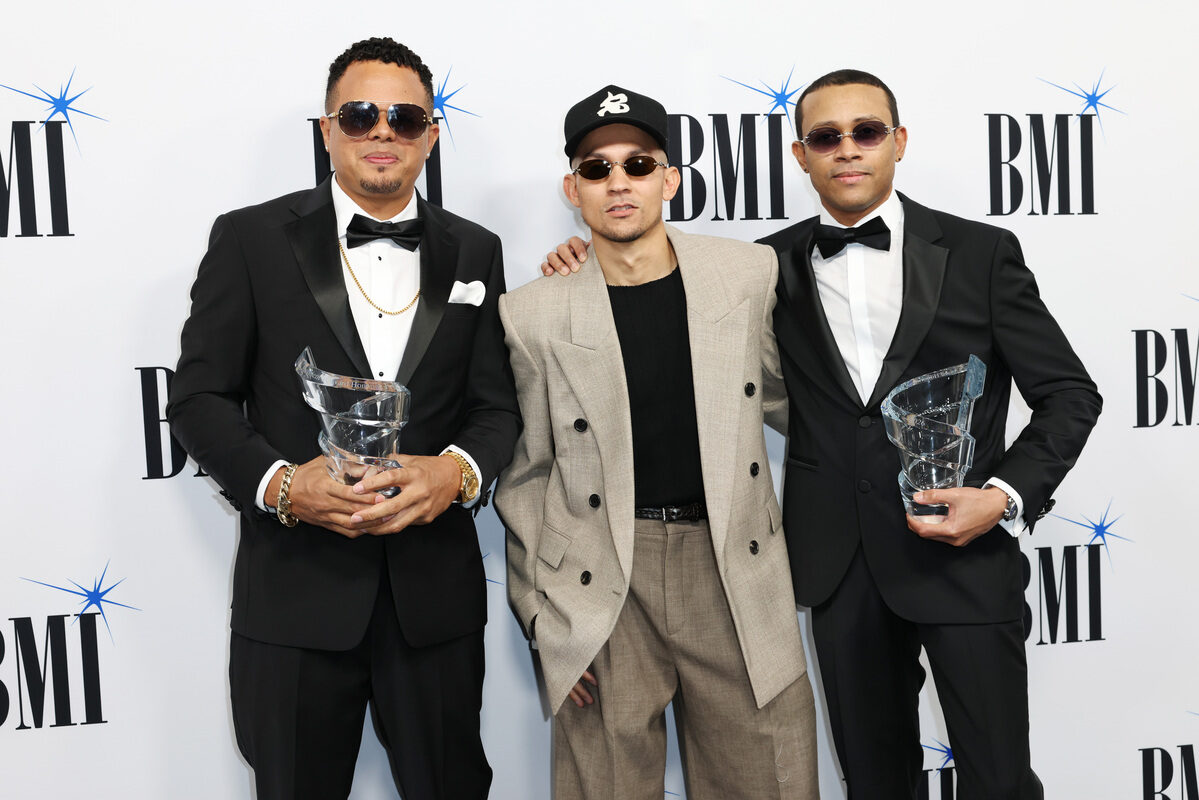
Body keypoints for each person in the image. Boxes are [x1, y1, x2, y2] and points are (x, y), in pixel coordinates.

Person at [543, 70, 1101, 800]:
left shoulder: (981, 252)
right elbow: (652, 270)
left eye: (865, 131)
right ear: (800, 155)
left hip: (963, 561)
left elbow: (1069, 395)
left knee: (999, 783)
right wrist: (581, 262)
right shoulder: (760, 267)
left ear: (898, 142)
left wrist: (1001, 497)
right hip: (840, 569)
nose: (847, 149)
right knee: (873, 782)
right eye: (825, 136)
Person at [167, 37, 518, 800]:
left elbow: (497, 406)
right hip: (294, 597)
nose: (382, 131)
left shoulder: (477, 250)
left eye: (405, 117)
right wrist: (283, 485)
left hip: (434, 602)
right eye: (360, 115)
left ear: (430, 135)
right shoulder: (250, 239)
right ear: (327, 130)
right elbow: (198, 398)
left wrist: (455, 473)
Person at [495, 85, 817, 800]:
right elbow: (526, 475)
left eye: (637, 165)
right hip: (601, 575)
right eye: (596, 168)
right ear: (573, 189)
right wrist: (541, 614)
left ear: (668, 180)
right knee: (603, 786)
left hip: (731, 563)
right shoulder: (531, 313)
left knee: (768, 779)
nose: (618, 183)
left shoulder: (747, 275)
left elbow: (802, 404)